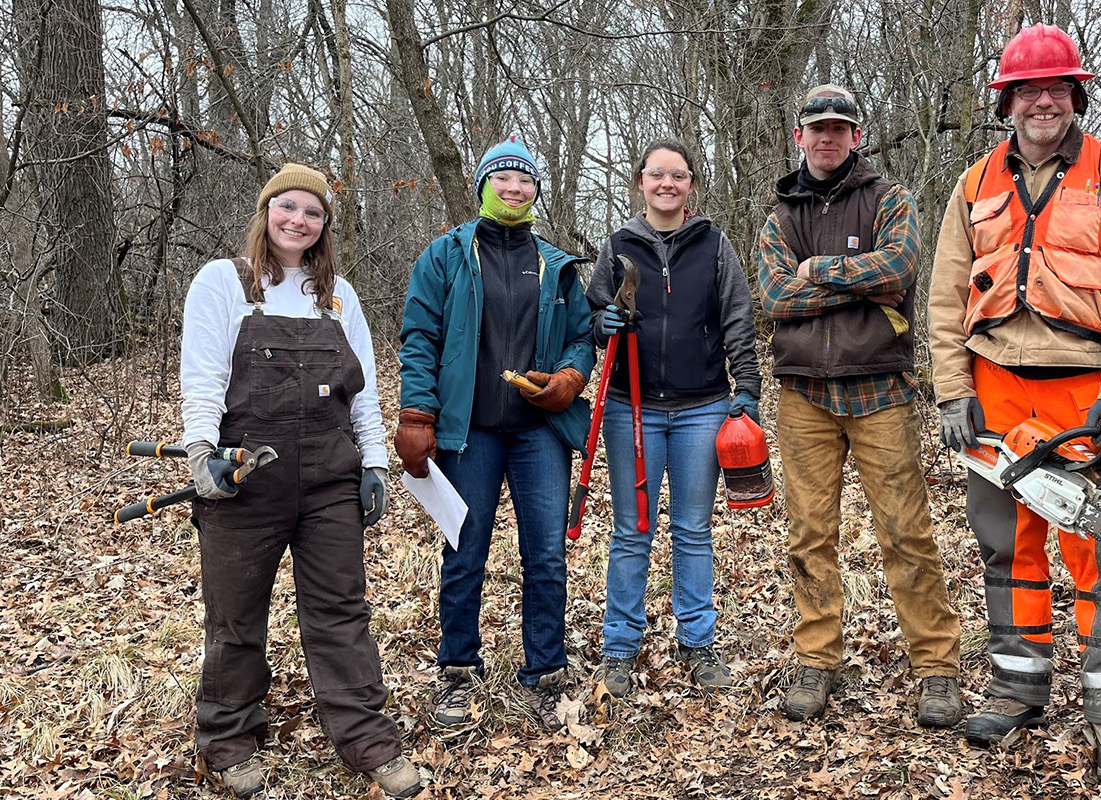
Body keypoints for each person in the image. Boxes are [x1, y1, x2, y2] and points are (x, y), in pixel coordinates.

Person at [925, 24, 1101, 783]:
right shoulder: (974, 183)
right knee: (1009, 542)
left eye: (1055, 88)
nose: (1042, 102)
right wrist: (952, 391)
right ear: (1007, 101)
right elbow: (943, 298)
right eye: (1028, 90)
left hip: (1084, 387)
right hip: (994, 384)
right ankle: (1018, 684)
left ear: (1076, 95)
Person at [178, 163, 422, 798]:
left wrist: (373, 464)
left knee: (340, 611)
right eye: (286, 207)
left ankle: (366, 738)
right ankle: (228, 739)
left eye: (312, 212)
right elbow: (202, 375)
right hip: (244, 483)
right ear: (265, 213)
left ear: (324, 226)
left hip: (328, 483)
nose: (298, 220)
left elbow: (362, 392)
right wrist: (203, 452)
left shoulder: (338, 295)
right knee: (235, 617)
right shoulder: (223, 283)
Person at [755, 85, 963, 727]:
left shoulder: (889, 198)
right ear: (800, 137)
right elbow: (774, 299)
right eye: (816, 127)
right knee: (810, 534)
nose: (827, 137)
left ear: (856, 135)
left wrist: (814, 271)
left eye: (839, 127)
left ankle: (936, 667)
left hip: (880, 391)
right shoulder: (779, 216)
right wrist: (847, 281)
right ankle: (817, 660)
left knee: (905, 532)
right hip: (803, 398)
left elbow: (898, 270)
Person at [396, 134, 595, 732]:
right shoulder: (446, 256)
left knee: (547, 554)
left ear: (537, 188)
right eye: (502, 178)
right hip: (468, 433)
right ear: (483, 185)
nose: (514, 188)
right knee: (464, 552)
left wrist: (570, 377)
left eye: (524, 179)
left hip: (540, 433)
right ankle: (458, 671)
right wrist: (416, 414)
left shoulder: (556, 264)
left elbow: (583, 336)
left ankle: (545, 671)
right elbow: (420, 337)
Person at [585, 141, 762, 697]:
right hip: (627, 405)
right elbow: (591, 319)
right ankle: (619, 647)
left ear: (691, 184)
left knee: (692, 529)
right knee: (632, 530)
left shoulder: (714, 245)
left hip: (701, 407)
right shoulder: (617, 245)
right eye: (657, 174)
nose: (667, 183)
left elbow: (737, 313)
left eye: (678, 175)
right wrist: (604, 322)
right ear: (640, 181)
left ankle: (698, 642)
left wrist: (748, 385)